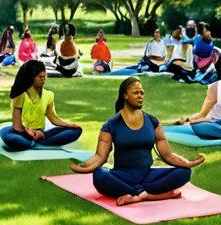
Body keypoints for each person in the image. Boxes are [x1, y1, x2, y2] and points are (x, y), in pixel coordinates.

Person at [68, 76, 204, 206]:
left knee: (184, 172)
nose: (140, 96)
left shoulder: (152, 121)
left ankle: (137, 194)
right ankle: (151, 195)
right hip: (123, 176)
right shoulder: (111, 125)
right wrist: (83, 166)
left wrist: (188, 163)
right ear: (125, 96)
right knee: (99, 175)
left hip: (147, 175)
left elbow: (167, 155)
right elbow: (99, 157)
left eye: (142, 92)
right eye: (136, 93)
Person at [0, 60, 84, 151]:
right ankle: (35, 141)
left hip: (41, 133)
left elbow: (53, 118)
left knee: (76, 130)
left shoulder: (49, 95)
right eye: (40, 77)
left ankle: (34, 142)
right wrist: (31, 133)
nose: (43, 79)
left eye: (44, 76)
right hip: (21, 132)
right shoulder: (20, 95)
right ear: (31, 78)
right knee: (12, 137)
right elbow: (17, 126)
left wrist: (68, 125)